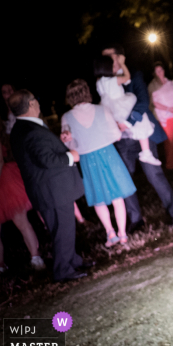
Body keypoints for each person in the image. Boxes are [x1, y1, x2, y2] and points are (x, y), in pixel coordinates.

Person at [8, 90, 91, 282]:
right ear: (30, 104)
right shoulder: (31, 130)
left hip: (46, 190)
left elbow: (40, 154)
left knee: (60, 229)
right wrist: (71, 156)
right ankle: (64, 270)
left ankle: (72, 261)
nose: (38, 102)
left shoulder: (21, 129)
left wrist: (59, 145)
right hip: (53, 190)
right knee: (63, 229)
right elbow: (46, 159)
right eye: (35, 99)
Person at [102, 45, 173, 232]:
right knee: (125, 178)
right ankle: (136, 220)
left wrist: (128, 122)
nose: (105, 62)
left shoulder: (135, 75)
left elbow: (143, 102)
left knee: (154, 175)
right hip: (123, 139)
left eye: (109, 57)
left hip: (142, 136)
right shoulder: (103, 81)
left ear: (120, 57)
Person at [61, 80, 135, 247]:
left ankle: (111, 233)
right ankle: (122, 234)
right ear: (87, 92)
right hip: (108, 155)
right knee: (117, 196)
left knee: (98, 199)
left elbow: (69, 145)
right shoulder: (102, 109)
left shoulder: (66, 117)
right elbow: (116, 136)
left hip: (88, 160)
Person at [94, 55, 161, 166]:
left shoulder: (99, 82)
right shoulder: (114, 80)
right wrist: (123, 64)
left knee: (126, 127)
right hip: (122, 105)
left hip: (110, 109)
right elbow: (127, 77)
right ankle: (146, 152)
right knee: (142, 121)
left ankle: (122, 134)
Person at [0, 116, 46, 274]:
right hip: (5, 180)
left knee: (22, 222)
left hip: (4, 181)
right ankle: (1, 265)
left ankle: (35, 257)